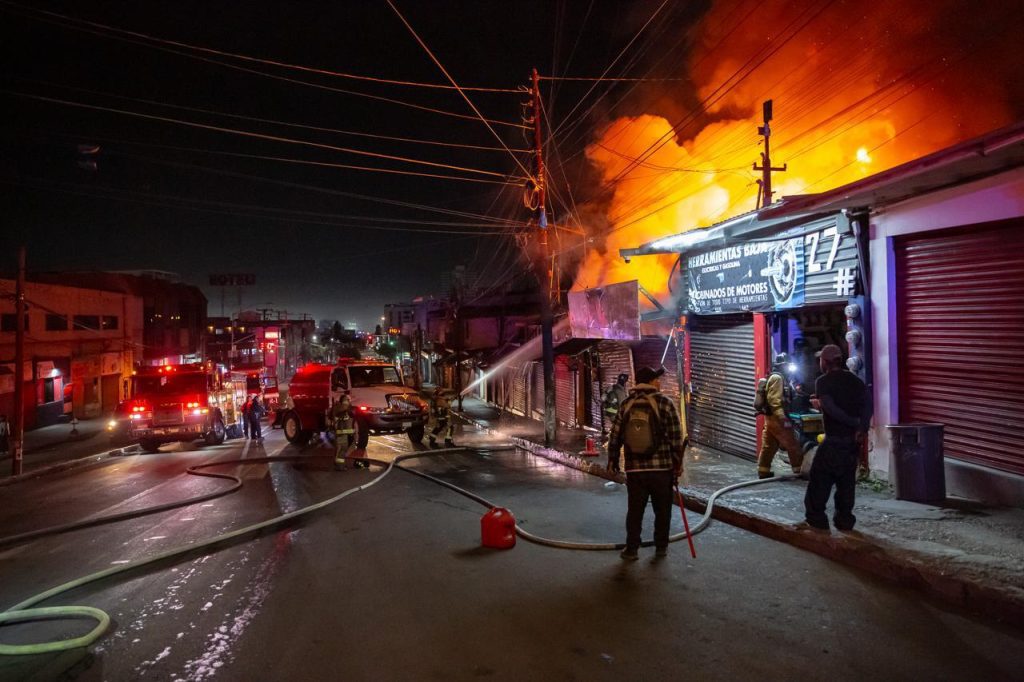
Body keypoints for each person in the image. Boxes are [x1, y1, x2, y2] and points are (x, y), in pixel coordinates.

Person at [607, 367, 685, 560]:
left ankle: (632, 549)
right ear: (651, 382)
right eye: (656, 379)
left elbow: (615, 435)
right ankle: (661, 548)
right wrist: (678, 464)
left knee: (635, 511)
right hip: (662, 469)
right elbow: (676, 437)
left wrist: (613, 460)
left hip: (635, 470)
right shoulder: (664, 403)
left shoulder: (627, 404)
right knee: (662, 510)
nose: (659, 382)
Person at [800, 344, 872, 533]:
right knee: (846, 484)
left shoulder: (823, 382)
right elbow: (868, 404)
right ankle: (845, 521)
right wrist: (862, 427)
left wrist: (851, 422)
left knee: (819, 482)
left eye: (821, 360)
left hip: (834, 441)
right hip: (851, 443)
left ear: (826, 362)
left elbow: (833, 409)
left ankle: (817, 521)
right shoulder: (855, 381)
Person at [756, 353, 805, 479]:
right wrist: (783, 418)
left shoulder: (780, 377)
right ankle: (799, 470)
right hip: (777, 418)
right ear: (783, 366)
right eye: (788, 365)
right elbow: (774, 400)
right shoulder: (777, 378)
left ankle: (763, 470)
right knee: (792, 443)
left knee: (769, 445)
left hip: (771, 418)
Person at [330, 395, 358, 470]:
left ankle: (337, 463)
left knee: (342, 449)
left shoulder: (346, 408)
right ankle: (340, 466)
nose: (349, 401)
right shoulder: (340, 408)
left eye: (349, 399)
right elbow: (342, 411)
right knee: (342, 449)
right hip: (341, 433)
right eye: (347, 399)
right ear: (343, 400)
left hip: (347, 433)